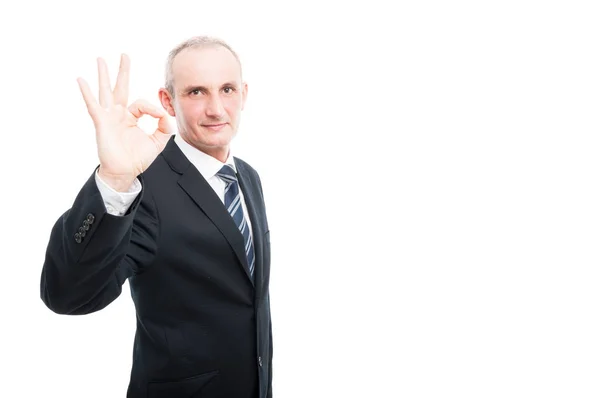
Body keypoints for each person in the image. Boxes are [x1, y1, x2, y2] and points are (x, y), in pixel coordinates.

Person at [40, 35, 273, 398]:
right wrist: (115, 179)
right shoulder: (143, 186)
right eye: (196, 92)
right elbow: (66, 295)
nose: (216, 109)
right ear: (168, 101)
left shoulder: (247, 177)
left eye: (226, 89)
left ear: (243, 93)